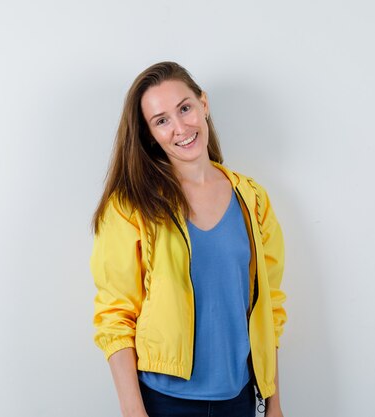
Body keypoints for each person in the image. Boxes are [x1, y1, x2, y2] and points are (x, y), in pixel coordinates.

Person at [90, 61, 287, 417]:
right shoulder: (130, 206)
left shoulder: (253, 199)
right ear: (150, 134)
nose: (180, 127)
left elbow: (268, 308)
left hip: (239, 399)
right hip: (163, 402)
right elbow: (115, 316)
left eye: (185, 108)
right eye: (162, 120)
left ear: (204, 104)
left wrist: (273, 402)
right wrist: (133, 411)